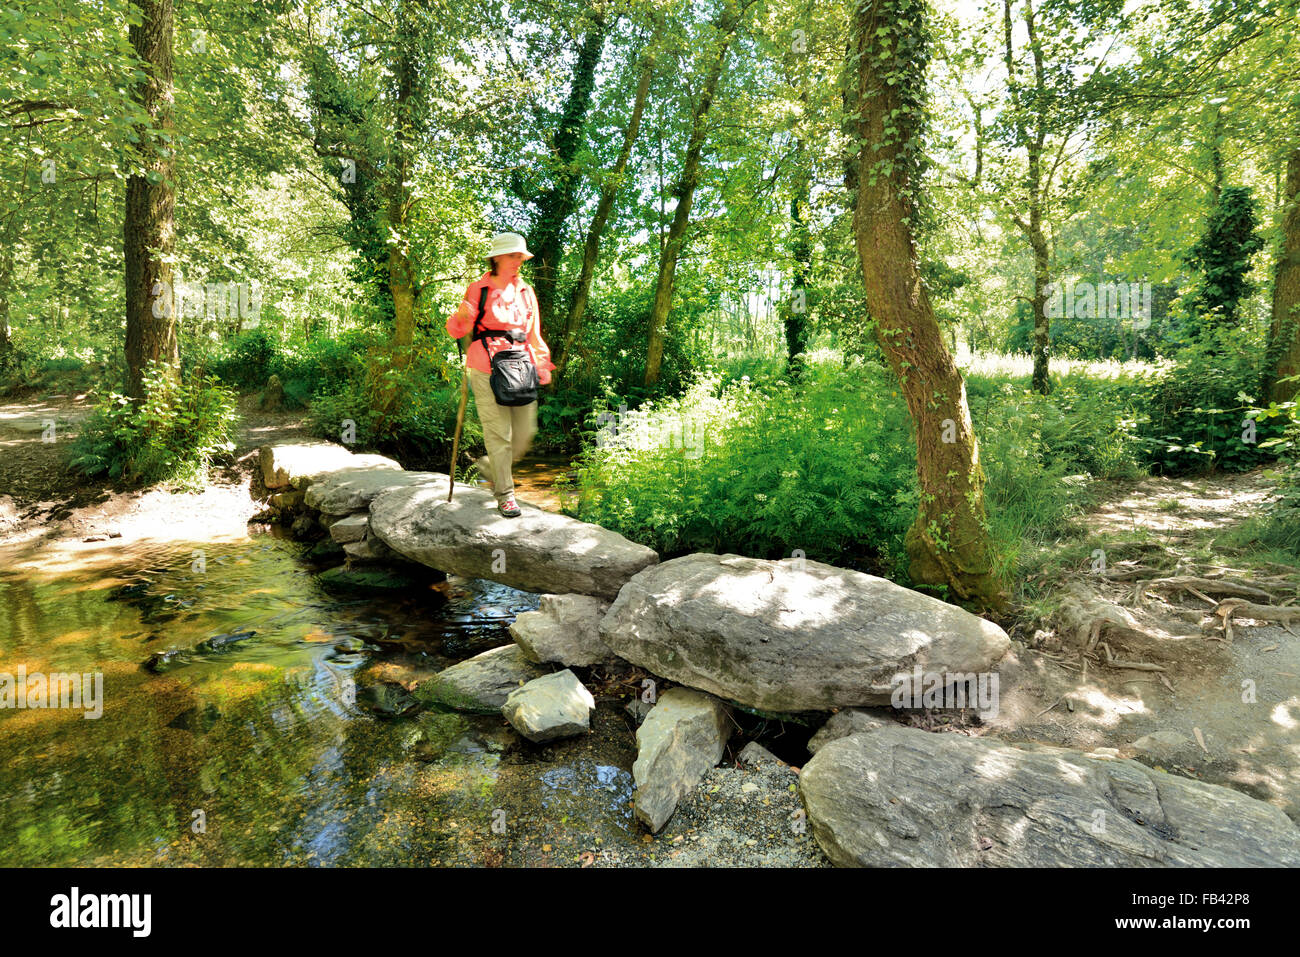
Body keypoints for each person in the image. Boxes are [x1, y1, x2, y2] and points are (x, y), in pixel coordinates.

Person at [445, 232, 555, 517]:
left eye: (521, 256)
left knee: (525, 432)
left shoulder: (526, 292)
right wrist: (461, 316)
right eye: (513, 255)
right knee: (498, 434)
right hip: (485, 367)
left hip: (520, 366)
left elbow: (533, 334)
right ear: (496, 258)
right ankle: (505, 494)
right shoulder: (478, 289)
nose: (519, 260)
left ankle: (487, 468)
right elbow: (457, 330)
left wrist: (542, 364)